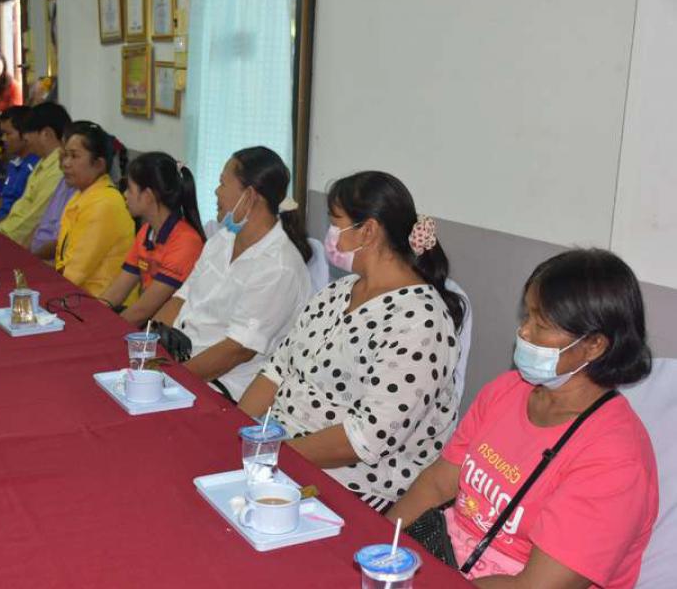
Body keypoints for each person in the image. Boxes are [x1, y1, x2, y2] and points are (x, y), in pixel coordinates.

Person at [386, 249, 658, 588]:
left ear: (594, 345)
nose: (524, 332)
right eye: (527, 316)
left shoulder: (616, 461)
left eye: (540, 324)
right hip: (447, 557)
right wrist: (380, 542)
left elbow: (534, 586)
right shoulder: (507, 391)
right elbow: (437, 483)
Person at [238, 171, 465, 512]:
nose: (330, 236)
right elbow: (277, 370)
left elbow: (367, 437)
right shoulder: (337, 292)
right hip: (281, 453)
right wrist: (237, 434)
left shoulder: (421, 322)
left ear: (368, 231)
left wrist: (273, 456)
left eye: (335, 224)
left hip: (351, 482)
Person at [153, 146, 313, 403]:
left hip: (223, 385)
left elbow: (236, 351)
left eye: (223, 183)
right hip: (179, 362)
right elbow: (181, 299)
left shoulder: (279, 267)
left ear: (249, 196)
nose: (216, 191)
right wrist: (148, 345)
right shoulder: (222, 239)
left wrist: (167, 379)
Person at [98, 152, 206, 327]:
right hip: (149, 323)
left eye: (130, 189)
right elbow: (117, 291)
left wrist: (106, 330)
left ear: (148, 196)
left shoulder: (186, 242)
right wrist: (92, 317)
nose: (125, 194)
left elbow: (144, 310)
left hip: (172, 328)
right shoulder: (146, 231)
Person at [53, 121, 135, 297]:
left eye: (74, 156)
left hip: (101, 302)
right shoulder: (81, 195)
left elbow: (74, 274)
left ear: (98, 164)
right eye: (65, 155)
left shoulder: (104, 204)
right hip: (77, 293)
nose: (65, 163)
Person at [0, 103, 69, 248]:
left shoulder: (58, 170)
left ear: (46, 134)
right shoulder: (43, 162)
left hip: (16, 244)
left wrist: (0, 239)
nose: (26, 138)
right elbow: (22, 207)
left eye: (28, 132)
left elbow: (32, 219)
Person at [0, 106, 39, 223]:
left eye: (7, 134)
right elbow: (3, 199)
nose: (3, 139)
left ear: (25, 134)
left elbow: (24, 214)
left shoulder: (36, 167)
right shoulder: (13, 164)